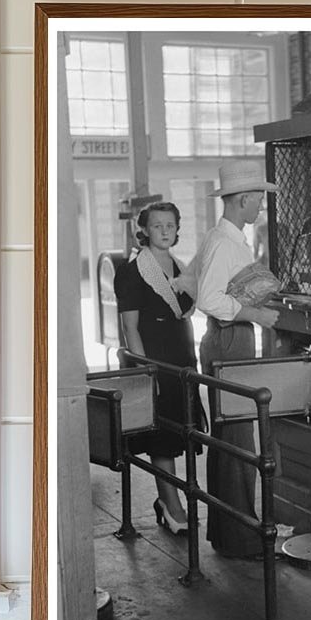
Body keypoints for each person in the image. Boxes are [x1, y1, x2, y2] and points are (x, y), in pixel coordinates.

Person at [192, 159, 279, 559]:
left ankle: (228, 533)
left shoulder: (226, 238)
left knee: (230, 438)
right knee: (238, 441)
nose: (260, 207)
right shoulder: (223, 242)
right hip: (229, 339)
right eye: (258, 200)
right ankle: (241, 539)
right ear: (242, 199)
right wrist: (255, 314)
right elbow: (208, 299)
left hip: (230, 338)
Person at [114, 201, 201, 535]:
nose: (164, 231)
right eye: (157, 226)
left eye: (170, 225)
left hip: (182, 357)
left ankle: (168, 500)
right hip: (153, 357)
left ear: (177, 230)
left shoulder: (181, 268)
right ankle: (172, 505)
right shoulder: (132, 271)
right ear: (145, 230)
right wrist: (146, 373)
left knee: (179, 433)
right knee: (161, 438)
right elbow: (130, 328)